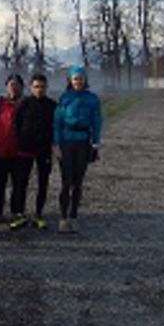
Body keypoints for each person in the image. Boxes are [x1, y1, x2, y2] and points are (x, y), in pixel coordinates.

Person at [54, 64, 103, 233]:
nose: (78, 82)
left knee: (78, 182)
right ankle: (63, 217)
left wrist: (96, 143)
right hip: (66, 142)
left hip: (83, 142)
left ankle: (74, 215)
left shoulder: (92, 99)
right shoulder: (64, 98)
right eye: (75, 79)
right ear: (70, 80)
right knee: (66, 181)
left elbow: (97, 122)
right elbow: (57, 122)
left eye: (81, 79)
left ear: (85, 80)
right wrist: (56, 144)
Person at [12, 72, 57, 229]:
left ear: (46, 87)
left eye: (42, 87)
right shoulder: (23, 104)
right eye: (36, 87)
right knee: (21, 182)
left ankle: (38, 214)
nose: (39, 90)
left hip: (44, 150)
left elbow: (56, 126)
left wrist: (54, 145)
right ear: (31, 88)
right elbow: (16, 124)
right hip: (25, 149)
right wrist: (21, 140)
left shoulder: (52, 105)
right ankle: (20, 214)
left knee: (43, 183)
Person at [0, 73, 27, 225]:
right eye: (11, 84)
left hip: (20, 151)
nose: (14, 88)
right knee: (0, 184)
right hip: (1, 150)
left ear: (22, 87)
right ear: (6, 87)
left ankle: (16, 212)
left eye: (17, 85)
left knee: (19, 184)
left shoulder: (26, 104)